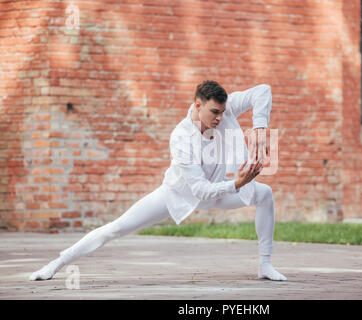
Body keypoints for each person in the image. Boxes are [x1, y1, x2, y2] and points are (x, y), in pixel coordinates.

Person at [29, 80, 287, 281]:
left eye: (222, 111)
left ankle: (265, 265)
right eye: (214, 112)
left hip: (222, 191)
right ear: (197, 105)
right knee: (116, 228)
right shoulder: (181, 137)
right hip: (177, 195)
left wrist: (260, 128)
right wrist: (237, 183)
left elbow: (262, 90)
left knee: (264, 195)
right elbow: (199, 189)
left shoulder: (225, 108)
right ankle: (56, 264)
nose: (219, 117)